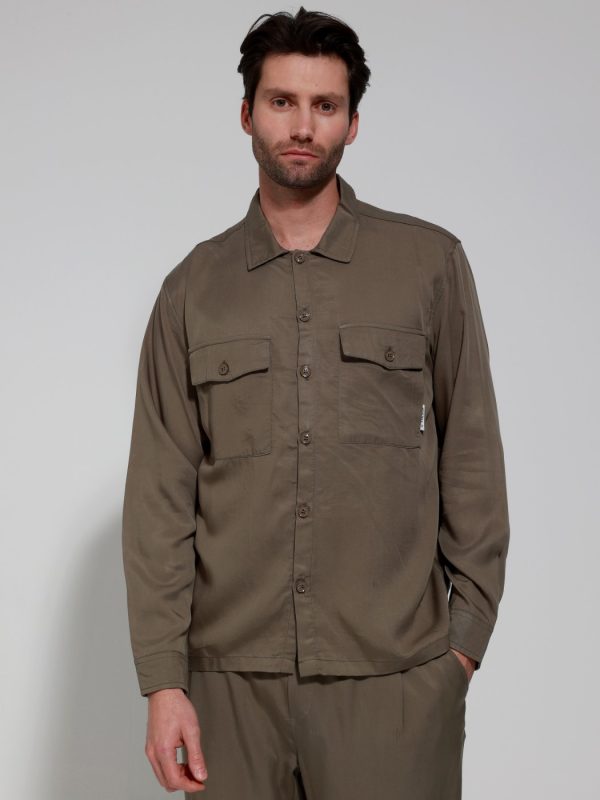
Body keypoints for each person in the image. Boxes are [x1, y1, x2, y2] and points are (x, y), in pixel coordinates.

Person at [121, 6, 510, 799]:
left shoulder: (428, 265)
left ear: (353, 123)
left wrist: (459, 653)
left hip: (394, 683)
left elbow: (472, 460)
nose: (302, 126)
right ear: (246, 113)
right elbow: (161, 497)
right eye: (282, 101)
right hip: (230, 688)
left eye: (325, 105)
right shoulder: (191, 291)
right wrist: (164, 683)